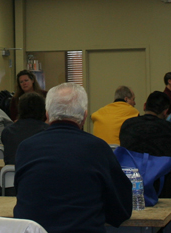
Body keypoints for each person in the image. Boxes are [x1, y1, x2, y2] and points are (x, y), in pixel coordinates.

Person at [14, 83, 132, 233]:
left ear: (48, 115)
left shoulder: (25, 148)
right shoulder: (97, 148)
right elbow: (121, 209)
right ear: (84, 116)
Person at [119, 91, 171, 232]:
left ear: (144, 106)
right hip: (160, 187)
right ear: (166, 111)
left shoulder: (127, 125)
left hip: (129, 187)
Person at [1, 92, 49, 165]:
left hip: (11, 175)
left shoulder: (7, 132)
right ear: (43, 110)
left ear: (20, 109)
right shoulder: (48, 131)